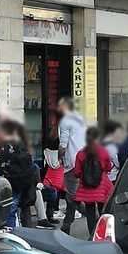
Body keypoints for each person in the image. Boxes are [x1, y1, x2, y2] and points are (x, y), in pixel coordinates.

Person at [0, 120, 35, 228]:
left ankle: (2, 233)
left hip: (0, 184)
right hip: (17, 181)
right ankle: (13, 232)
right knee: (12, 209)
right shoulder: (20, 145)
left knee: (1, 210)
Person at [74, 127, 113, 235]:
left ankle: (92, 234)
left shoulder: (80, 154)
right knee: (103, 211)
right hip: (102, 187)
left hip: (86, 188)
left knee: (90, 212)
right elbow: (108, 168)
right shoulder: (104, 152)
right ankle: (103, 234)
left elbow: (76, 172)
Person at [58, 97, 86, 235]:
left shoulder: (65, 121)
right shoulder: (80, 119)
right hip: (84, 160)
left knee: (72, 196)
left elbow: (63, 144)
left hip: (72, 163)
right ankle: (66, 224)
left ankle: (95, 216)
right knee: (74, 194)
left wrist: (59, 157)